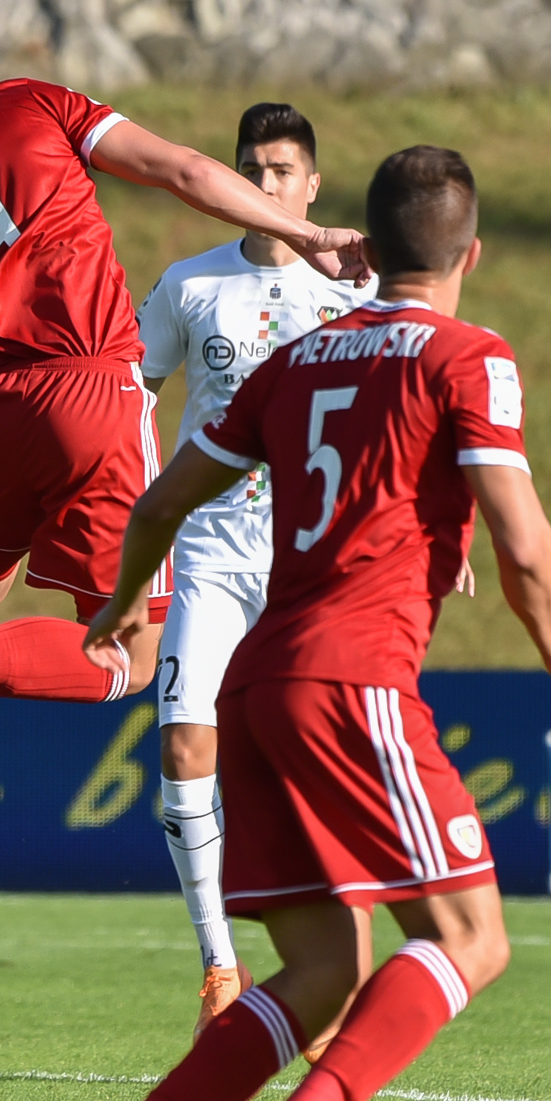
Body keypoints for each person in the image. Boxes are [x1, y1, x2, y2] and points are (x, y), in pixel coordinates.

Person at [72, 145, 551, 1101]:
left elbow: (161, 502)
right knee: (471, 937)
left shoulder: (297, 359)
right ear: (470, 254)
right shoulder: (469, 357)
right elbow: (519, 537)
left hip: (255, 686)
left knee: (322, 967)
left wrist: (126, 604)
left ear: (370, 241)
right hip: (350, 678)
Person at [0, 64, 370, 860]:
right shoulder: (22, 100)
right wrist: (309, 234)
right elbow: (182, 170)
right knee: (127, 656)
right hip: (89, 386)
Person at [136, 102, 379, 1037]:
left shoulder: (354, 290)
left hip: (310, 562)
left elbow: (401, 406)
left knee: (315, 760)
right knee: (182, 744)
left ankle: (327, 971)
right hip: (206, 552)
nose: (265, 184)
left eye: (281, 171)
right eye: (250, 170)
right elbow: (130, 395)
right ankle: (218, 965)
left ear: (312, 185)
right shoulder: (190, 284)